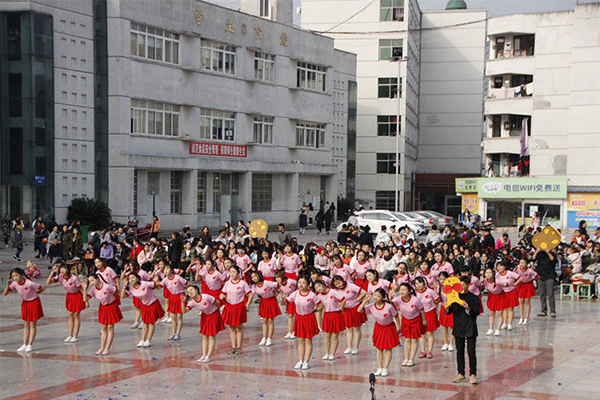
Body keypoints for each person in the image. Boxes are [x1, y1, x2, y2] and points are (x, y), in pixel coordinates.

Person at [446, 276, 481, 385]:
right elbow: (449, 311)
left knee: (471, 351)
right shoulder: (455, 296)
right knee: (459, 352)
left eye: (463, 284)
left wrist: (468, 307)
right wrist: (446, 307)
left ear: (468, 285)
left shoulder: (474, 298)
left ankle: (473, 374)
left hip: (470, 326)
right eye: (459, 285)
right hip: (458, 326)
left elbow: (476, 312)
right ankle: (461, 373)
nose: (461, 287)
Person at [358, 288, 401, 377]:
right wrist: (365, 301)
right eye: (375, 296)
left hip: (389, 328)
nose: (376, 298)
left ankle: (386, 368)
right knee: (379, 348)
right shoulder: (371, 306)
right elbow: (359, 310)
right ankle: (379, 367)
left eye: (378, 296)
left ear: (383, 297)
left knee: (388, 348)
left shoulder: (389, 306)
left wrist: (399, 327)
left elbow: (396, 316)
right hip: (379, 328)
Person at [3, 267, 45, 352]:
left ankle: (30, 344)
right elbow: (5, 293)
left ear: (21, 275)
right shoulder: (14, 284)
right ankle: (25, 344)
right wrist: (8, 285)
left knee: (32, 324)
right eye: (13, 276)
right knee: (26, 324)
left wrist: (35, 294)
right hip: (25, 303)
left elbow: (41, 288)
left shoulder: (29, 283)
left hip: (34, 302)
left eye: (17, 275)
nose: (15, 278)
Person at [287, 276, 323, 370]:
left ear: (308, 284)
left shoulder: (312, 295)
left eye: (303, 283)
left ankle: (306, 361)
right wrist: (283, 299)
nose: (301, 285)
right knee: (300, 340)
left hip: (309, 318)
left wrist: (314, 311)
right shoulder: (295, 294)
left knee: (308, 340)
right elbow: (286, 301)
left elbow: (320, 306)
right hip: (299, 318)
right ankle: (300, 360)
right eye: (299, 283)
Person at [121, 272, 164, 348]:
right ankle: (142, 340)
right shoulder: (132, 289)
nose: (131, 279)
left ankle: (148, 340)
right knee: (144, 322)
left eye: (133, 277)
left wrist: (160, 282)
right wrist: (124, 287)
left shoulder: (145, 284)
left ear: (138, 278)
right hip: (144, 305)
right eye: (130, 278)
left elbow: (157, 284)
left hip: (153, 303)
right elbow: (123, 296)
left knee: (151, 322)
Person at [183, 285, 225, 363]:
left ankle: (208, 356)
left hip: (214, 314)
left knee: (212, 335)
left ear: (196, 290)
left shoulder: (205, 297)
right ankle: (204, 355)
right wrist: (182, 303)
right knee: (204, 335)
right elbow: (184, 311)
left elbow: (217, 302)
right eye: (188, 292)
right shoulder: (193, 302)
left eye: (191, 290)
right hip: (205, 316)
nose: (190, 293)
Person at [84, 273, 122, 355]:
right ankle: (102, 347)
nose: (91, 283)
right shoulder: (93, 289)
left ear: (97, 279)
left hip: (111, 306)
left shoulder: (106, 286)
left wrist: (112, 297)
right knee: (104, 327)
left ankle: (107, 348)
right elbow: (85, 299)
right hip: (103, 307)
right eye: (90, 281)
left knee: (110, 327)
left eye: (92, 280)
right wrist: (84, 289)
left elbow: (117, 291)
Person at [46, 264, 85, 343]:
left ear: (68, 269)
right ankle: (70, 335)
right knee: (71, 314)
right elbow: (48, 282)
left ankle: (75, 336)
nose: (62, 270)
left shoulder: (74, 278)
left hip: (77, 296)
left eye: (64, 268)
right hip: (69, 296)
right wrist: (52, 272)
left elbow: (81, 289)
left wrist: (85, 300)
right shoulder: (60, 276)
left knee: (76, 315)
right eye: (61, 269)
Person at [392, 283, 427, 367]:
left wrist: (424, 320)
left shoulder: (415, 300)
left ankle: (411, 359)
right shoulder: (398, 299)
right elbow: (390, 304)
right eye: (401, 290)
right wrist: (390, 296)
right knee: (407, 339)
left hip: (416, 320)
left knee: (414, 340)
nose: (402, 292)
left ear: (409, 291)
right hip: (405, 320)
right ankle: (406, 358)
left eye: (404, 290)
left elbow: (422, 310)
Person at [220, 265, 251, 355]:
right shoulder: (227, 283)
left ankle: (239, 347)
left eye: (234, 272)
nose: (232, 274)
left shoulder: (242, 283)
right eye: (230, 272)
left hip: (239, 307)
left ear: (238, 273)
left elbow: (250, 294)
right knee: (231, 328)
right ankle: (233, 347)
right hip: (229, 307)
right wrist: (222, 296)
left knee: (239, 328)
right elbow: (222, 293)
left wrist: (247, 305)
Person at [333, 275, 367, 355]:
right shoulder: (336, 290)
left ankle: (356, 347)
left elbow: (364, 292)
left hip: (355, 308)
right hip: (346, 310)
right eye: (336, 284)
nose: (339, 285)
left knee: (356, 328)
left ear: (343, 280)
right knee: (348, 328)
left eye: (339, 283)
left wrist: (358, 299)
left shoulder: (350, 286)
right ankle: (349, 346)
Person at [248, 270, 281, 347]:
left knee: (270, 320)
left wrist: (276, 291)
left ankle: (270, 338)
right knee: (264, 320)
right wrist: (247, 304)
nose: (254, 278)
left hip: (271, 300)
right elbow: (251, 295)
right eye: (252, 277)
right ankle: (264, 338)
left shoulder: (266, 283)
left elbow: (277, 284)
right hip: (264, 302)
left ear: (259, 275)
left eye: (255, 276)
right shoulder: (254, 286)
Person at [315, 279, 345, 361]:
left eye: (319, 286)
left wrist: (341, 309)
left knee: (335, 335)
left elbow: (343, 299)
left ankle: (333, 353)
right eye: (316, 288)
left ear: (323, 284)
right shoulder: (319, 296)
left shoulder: (333, 292)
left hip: (336, 314)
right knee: (327, 335)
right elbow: (318, 306)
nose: (318, 289)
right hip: (327, 315)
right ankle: (327, 353)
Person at [157, 264, 187, 341]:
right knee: (173, 317)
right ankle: (173, 333)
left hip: (180, 296)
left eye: (167, 269)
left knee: (179, 317)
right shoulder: (165, 279)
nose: (166, 271)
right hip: (172, 297)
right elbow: (159, 286)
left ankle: (178, 333)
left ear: (171, 270)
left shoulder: (177, 277)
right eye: (164, 269)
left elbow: (186, 283)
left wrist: (185, 293)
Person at [414, 277, 440, 359]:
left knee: (430, 332)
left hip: (430, 313)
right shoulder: (415, 293)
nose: (418, 285)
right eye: (416, 284)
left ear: (424, 283)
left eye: (420, 283)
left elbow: (437, 299)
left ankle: (430, 351)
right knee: (422, 333)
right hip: (420, 314)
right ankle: (423, 351)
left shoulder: (430, 291)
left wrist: (435, 307)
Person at [495, 261, 522, 330]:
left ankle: (510, 323)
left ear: (505, 266)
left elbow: (520, 278)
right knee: (504, 308)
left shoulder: (510, 273)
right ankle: (504, 323)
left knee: (510, 308)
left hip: (511, 291)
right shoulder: (497, 274)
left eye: (501, 266)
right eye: (498, 266)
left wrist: (515, 284)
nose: (500, 268)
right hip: (502, 292)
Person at [533, 247, 556, 318]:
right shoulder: (539, 254)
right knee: (542, 294)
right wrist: (537, 251)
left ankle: (552, 311)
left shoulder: (552, 254)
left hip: (549, 276)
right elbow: (533, 259)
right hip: (540, 276)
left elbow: (553, 259)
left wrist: (548, 252)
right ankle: (543, 310)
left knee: (550, 294)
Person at [276, 270, 298, 339]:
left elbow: (298, 285)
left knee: (296, 315)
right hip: (289, 300)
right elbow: (277, 293)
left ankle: (295, 331)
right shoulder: (279, 285)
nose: (277, 279)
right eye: (276, 278)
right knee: (290, 316)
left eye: (278, 277)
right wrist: (282, 298)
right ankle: (289, 331)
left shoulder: (290, 281)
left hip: (296, 299)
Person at [515, 258, 538, 325]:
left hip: (528, 285)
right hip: (521, 284)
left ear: (526, 263)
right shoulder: (518, 268)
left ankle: (527, 317)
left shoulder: (530, 270)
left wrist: (533, 279)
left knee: (527, 301)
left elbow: (537, 275)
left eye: (523, 263)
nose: (522, 264)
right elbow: (514, 274)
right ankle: (521, 317)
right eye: (520, 263)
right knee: (521, 301)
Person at [483, 267, 504, 336]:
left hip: (500, 296)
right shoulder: (485, 281)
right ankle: (491, 329)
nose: (488, 274)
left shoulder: (498, 280)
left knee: (500, 313)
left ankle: (498, 329)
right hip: (492, 296)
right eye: (486, 273)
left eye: (490, 272)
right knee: (491, 313)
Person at [437, 272, 455, 352]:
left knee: (452, 326)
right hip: (443, 307)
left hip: (451, 307)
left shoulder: (452, 287)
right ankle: (445, 342)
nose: (442, 280)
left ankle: (451, 343)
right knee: (444, 326)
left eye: (444, 279)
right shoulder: (439, 287)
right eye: (440, 279)